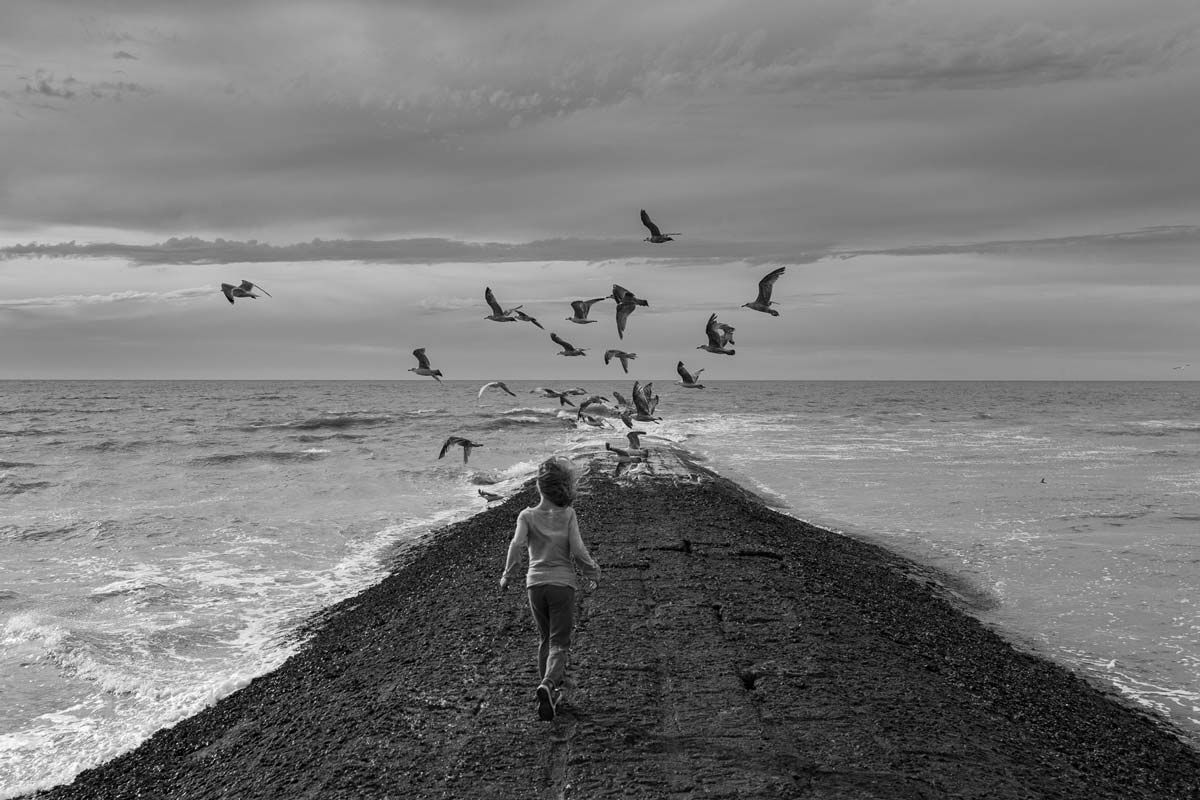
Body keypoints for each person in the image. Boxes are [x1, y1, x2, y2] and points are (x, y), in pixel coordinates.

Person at [500, 456, 601, 721]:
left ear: (538, 485)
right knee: (559, 642)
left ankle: (548, 694)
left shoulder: (527, 515)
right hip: (562, 585)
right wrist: (592, 571)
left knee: (545, 638)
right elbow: (577, 549)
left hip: (535, 586)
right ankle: (547, 684)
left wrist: (507, 575)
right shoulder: (568, 514)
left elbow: (516, 545)